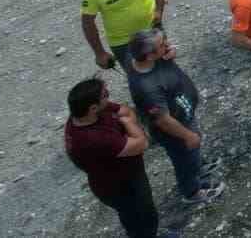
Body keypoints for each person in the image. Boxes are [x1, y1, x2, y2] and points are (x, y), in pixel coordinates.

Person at [64, 77, 171, 238]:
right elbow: (142, 143)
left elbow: (126, 111)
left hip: (124, 176)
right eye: (105, 94)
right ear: (93, 108)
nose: (109, 96)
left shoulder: (86, 114)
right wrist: (128, 125)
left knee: (134, 218)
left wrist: (130, 127)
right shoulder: (94, 139)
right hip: (121, 186)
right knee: (142, 218)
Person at [124, 30, 222, 205]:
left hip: (183, 113)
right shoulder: (148, 88)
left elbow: (165, 59)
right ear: (149, 56)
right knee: (183, 160)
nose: (168, 45)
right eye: (163, 45)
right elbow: (163, 120)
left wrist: (169, 54)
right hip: (176, 129)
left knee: (192, 153)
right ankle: (191, 191)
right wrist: (188, 135)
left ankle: (198, 166)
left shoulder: (139, 58)